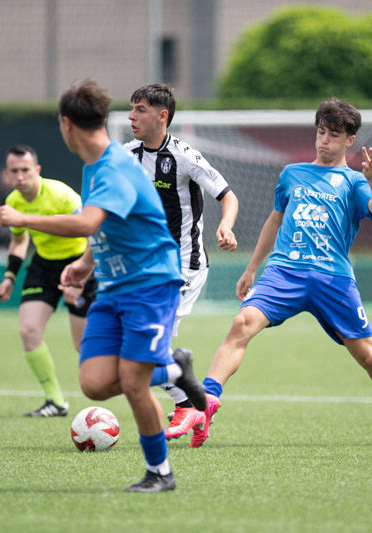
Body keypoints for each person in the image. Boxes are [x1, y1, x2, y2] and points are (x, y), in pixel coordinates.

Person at [0, 78, 207, 493]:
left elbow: (87, 222)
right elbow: (105, 226)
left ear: (66, 124)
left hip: (151, 283)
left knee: (133, 381)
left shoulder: (114, 166)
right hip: (112, 286)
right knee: (93, 383)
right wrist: (85, 264)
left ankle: (159, 473)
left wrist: (23, 219)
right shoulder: (94, 166)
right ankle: (175, 368)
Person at [191, 98, 372, 449]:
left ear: (350, 140)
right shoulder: (292, 174)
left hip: (333, 279)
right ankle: (205, 404)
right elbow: (275, 220)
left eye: (334, 134)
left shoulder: (354, 181)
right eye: (321, 132)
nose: (324, 140)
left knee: (371, 359)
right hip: (285, 271)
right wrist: (252, 268)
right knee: (241, 324)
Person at [124, 83, 239, 440]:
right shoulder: (126, 156)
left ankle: (187, 405)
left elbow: (228, 196)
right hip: (146, 267)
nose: (131, 116)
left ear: (162, 116)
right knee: (134, 343)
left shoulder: (185, 156)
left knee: (147, 343)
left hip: (183, 266)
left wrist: (225, 226)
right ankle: (197, 406)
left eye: (140, 110)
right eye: (131, 108)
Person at [0, 144, 98, 418]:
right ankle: (56, 401)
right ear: (7, 173)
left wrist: (83, 273)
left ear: (37, 169)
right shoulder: (13, 202)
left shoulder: (62, 195)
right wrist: (9, 277)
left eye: (25, 170)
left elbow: (95, 233)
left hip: (78, 264)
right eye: (14, 171)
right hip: (43, 265)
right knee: (28, 331)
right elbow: (19, 241)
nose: (20, 176)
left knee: (83, 346)